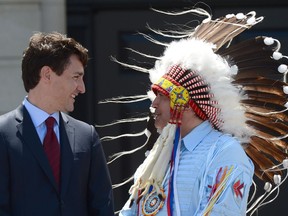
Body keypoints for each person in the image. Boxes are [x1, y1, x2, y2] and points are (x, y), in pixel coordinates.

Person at [112, 7, 288, 216]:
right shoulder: (161, 154)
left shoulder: (224, 152)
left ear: (184, 102)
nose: (153, 104)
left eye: (162, 96)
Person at [0, 32, 115, 216]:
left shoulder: (87, 137)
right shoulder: (3, 135)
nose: (82, 88)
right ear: (47, 74)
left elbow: (102, 208)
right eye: (76, 77)